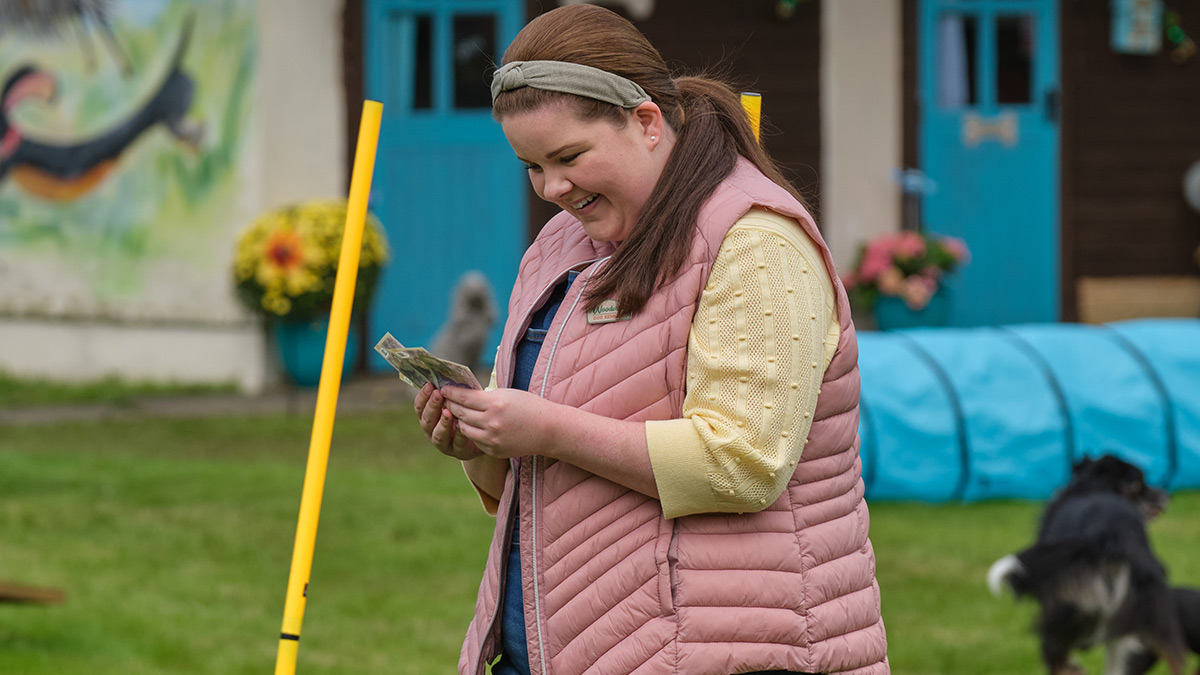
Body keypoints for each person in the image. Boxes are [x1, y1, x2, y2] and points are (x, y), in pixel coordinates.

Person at [413, 5, 888, 674]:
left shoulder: (755, 242)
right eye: (531, 166)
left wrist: (544, 427)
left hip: (724, 652)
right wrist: (478, 441)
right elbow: (533, 452)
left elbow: (741, 462)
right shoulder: (557, 248)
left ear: (644, 121)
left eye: (569, 157)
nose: (552, 187)